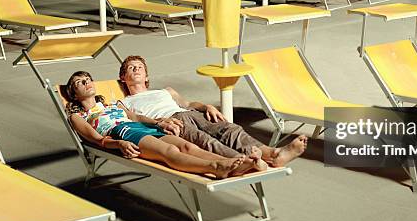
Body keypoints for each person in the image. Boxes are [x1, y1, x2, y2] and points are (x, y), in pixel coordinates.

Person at [65, 71, 266, 179]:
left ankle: (230, 163)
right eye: (79, 83)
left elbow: (135, 117)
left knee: (188, 146)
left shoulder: (111, 104)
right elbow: (97, 139)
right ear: (74, 94)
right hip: (121, 132)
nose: (86, 83)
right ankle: (216, 167)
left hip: (138, 127)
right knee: (169, 151)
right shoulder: (79, 116)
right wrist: (118, 144)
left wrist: (158, 123)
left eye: (88, 79)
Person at [118, 55, 307, 167]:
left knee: (229, 129)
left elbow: (188, 103)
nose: (136, 69)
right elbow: (133, 118)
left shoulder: (165, 91)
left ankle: (273, 154)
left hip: (190, 114)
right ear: (123, 77)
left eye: (140, 67)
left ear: (147, 75)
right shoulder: (124, 102)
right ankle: (245, 160)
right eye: (131, 68)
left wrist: (206, 107)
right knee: (205, 141)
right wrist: (158, 122)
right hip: (170, 123)